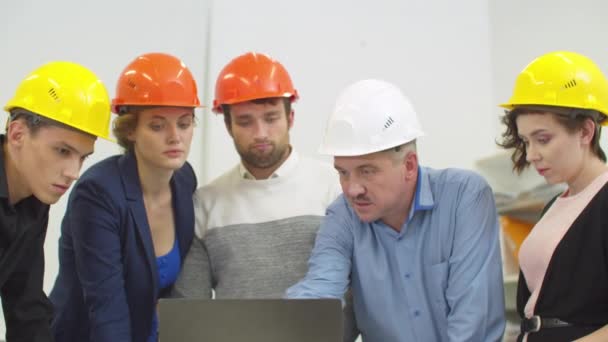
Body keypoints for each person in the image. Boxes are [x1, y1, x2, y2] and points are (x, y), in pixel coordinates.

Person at [286, 79, 506, 341]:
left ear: (410, 165)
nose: (352, 189)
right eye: (343, 173)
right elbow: (320, 291)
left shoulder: (464, 197)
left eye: (367, 171)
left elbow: (473, 324)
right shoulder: (343, 216)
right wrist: (290, 323)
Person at [173, 52, 359, 340]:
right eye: (245, 122)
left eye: (271, 118)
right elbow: (190, 309)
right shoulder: (205, 204)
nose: (260, 133)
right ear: (228, 126)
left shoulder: (335, 189)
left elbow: (362, 292)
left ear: (290, 117)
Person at [48, 52, 200, 342]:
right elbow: (107, 309)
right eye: (157, 126)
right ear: (130, 130)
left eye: (184, 123)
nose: (175, 137)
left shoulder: (184, 179)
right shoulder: (97, 194)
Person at [498, 51, 608, 342]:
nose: (532, 154)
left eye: (543, 139)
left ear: (585, 131)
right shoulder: (555, 206)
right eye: (525, 141)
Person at [0, 61, 111, 342]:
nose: (73, 173)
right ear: (17, 134)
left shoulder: (33, 197)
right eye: (62, 151)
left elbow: (26, 309)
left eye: (83, 157)